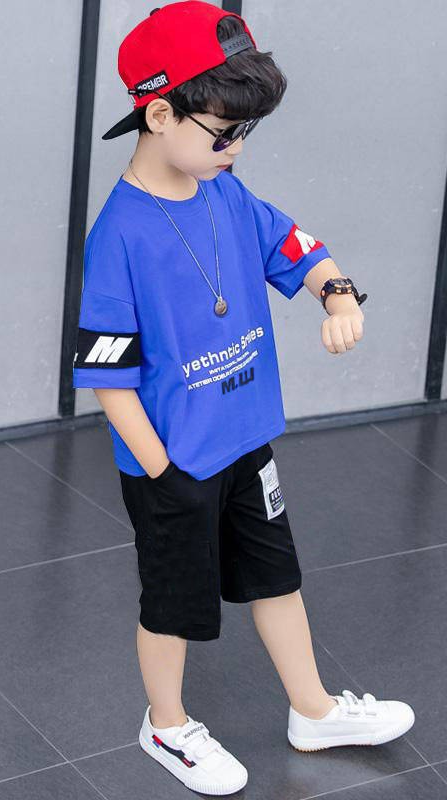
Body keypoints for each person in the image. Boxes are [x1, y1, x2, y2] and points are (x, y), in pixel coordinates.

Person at [72, 2, 413, 794]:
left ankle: (313, 709)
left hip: (245, 440)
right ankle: (166, 725)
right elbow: (107, 376)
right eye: (224, 133)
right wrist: (161, 470)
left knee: (276, 577)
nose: (235, 148)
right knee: (173, 603)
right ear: (160, 114)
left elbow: (298, 246)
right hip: (175, 461)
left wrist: (338, 296)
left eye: (244, 133)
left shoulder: (226, 192)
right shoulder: (120, 235)